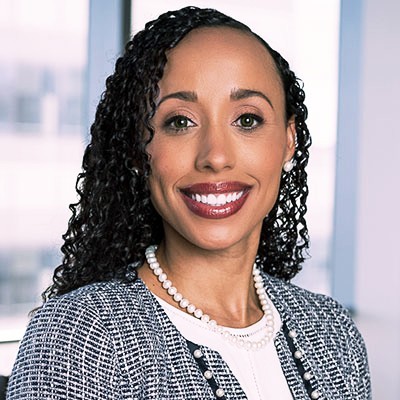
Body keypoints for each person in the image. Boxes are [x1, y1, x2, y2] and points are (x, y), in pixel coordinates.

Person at [6, 6, 371, 400]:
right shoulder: (81, 336)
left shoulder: (333, 332)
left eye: (247, 120)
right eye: (180, 121)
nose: (216, 156)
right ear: (138, 150)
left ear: (288, 140)